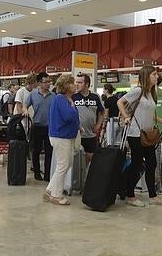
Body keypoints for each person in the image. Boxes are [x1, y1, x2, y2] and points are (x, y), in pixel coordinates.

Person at [117, 65, 162, 207]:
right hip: (135, 133)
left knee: (152, 163)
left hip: (147, 134)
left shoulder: (151, 93)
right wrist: (126, 116)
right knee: (137, 164)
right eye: (154, 74)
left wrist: (160, 120)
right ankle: (130, 194)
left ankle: (153, 196)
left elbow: (150, 112)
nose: (157, 77)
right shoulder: (138, 91)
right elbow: (120, 102)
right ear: (147, 76)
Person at [44, 74, 79, 205]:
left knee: (66, 164)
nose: (74, 85)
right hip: (61, 136)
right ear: (65, 86)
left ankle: (50, 189)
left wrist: (78, 125)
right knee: (63, 165)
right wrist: (72, 107)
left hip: (65, 135)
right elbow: (69, 116)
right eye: (72, 83)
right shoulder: (61, 99)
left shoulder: (65, 99)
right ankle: (56, 195)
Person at [23, 72, 54, 181]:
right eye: (45, 82)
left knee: (49, 151)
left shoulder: (53, 96)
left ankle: (47, 174)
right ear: (39, 83)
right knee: (35, 151)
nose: (48, 84)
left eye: (49, 82)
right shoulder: (33, 94)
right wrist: (25, 110)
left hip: (49, 127)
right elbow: (25, 105)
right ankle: (36, 172)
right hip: (36, 126)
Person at [72, 73, 104, 163]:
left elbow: (102, 111)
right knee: (77, 160)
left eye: (80, 82)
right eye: (76, 82)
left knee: (90, 158)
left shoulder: (95, 96)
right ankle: (79, 177)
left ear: (86, 84)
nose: (76, 84)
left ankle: (87, 176)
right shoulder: (73, 96)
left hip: (91, 134)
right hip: (77, 134)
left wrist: (98, 125)